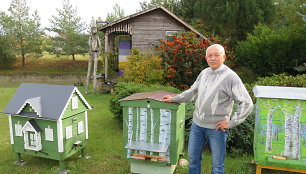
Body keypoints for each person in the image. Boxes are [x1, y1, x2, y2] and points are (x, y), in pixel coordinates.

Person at [163, 44, 253, 174]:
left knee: (217, 166)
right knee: (193, 160)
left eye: (216, 55)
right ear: (206, 58)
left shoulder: (231, 77)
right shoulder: (204, 73)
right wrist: (174, 99)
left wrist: (230, 123)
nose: (213, 58)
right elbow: (192, 92)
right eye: (210, 56)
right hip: (197, 126)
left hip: (217, 129)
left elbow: (247, 103)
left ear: (224, 57)